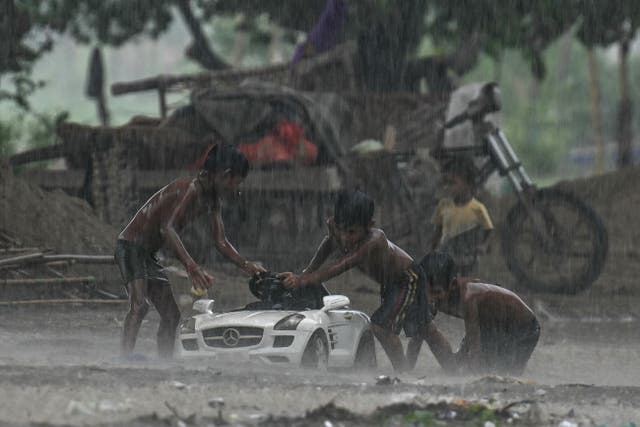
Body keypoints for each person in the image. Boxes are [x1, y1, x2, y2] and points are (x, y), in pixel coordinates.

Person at [114, 142, 266, 359]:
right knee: (139, 306)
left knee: (171, 314)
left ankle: (164, 361)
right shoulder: (189, 188)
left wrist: (247, 265)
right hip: (129, 247)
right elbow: (167, 228)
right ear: (224, 175)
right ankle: (124, 359)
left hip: (147, 255)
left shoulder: (212, 200)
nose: (236, 189)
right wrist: (191, 266)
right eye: (236, 182)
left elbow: (220, 241)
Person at [279, 189, 434, 371]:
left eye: (351, 232)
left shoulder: (374, 240)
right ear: (335, 221)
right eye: (341, 230)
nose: (344, 238)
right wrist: (306, 272)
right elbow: (329, 244)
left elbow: (341, 265)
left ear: (369, 226)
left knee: (383, 326)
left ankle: (404, 374)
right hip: (390, 283)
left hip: (408, 278)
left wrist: (304, 280)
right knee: (427, 330)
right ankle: (455, 368)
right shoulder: (335, 225)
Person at [412, 252, 540, 375]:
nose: (431, 298)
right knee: (462, 362)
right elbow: (421, 331)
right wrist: (408, 365)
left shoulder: (469, 297)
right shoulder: (435, 297)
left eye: (436, 292)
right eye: (426, 292)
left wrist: (472, 374)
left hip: (525, 328)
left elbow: (474, 344)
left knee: (504, 373)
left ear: (453, 285)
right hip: (492, 325)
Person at [431, 156, 493, 276]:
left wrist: (484, 246)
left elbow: (488, 230)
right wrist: (432, 252)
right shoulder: (443, 205)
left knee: (466, 282)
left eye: (452, 183)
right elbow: (437, 231)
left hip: (469, 257)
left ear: (468, 185)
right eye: (445, 183)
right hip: (447, 255)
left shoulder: (477, 208)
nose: (447, 187)